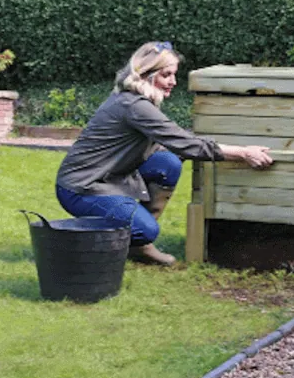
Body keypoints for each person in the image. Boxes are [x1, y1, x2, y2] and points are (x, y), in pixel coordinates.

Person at [56, 41, 273, 266]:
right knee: (146, 229)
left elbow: (174, 144)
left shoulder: (136, 101)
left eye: (174, 74)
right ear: (146, 74)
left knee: (167, 163)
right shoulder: (135, 106)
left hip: (109, 177)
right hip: (81, 188)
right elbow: (184, 141)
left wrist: (189, 148)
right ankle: (118, 242)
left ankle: (138, 245)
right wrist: (244, 153)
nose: (173, 82)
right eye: (166, 75)